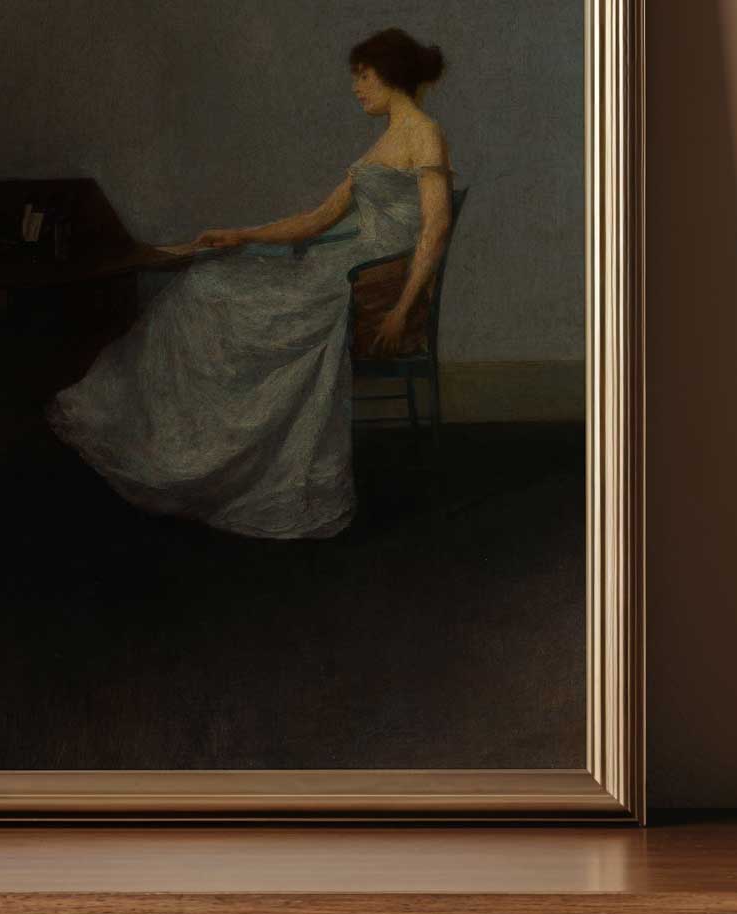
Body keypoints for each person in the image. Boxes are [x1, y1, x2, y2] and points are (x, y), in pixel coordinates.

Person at [48, 28, 454, 539]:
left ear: (390, 74)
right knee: (206, 280)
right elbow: (314, 220)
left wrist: (401, 308)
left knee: (210, 293)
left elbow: (435, 231)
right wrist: (241, 234)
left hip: (369, 285)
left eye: (363, 76)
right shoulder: (386, 140)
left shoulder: (423, 132)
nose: (356, 88)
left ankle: (212, 455)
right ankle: (189, 446)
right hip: (343, 269)